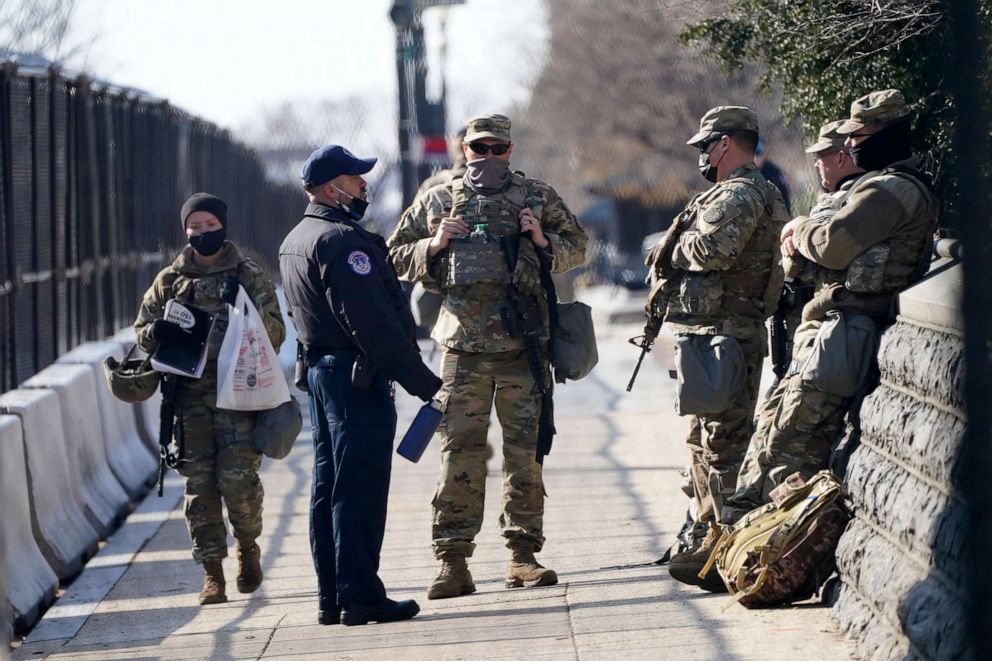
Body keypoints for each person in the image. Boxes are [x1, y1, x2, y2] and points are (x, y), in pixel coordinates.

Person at [387, 114, 587, 600]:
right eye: (481, 149)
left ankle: (522, 556)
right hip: (465, 350)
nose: (489, 158)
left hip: (524, 348)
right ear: (465, 150)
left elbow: (578, 247)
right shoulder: (438, 198)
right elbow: (393, 255)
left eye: (499, 149)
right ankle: (452, 561)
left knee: (525, 455)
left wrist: (542, 240)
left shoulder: (536, 196)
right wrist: (435, 243)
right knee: (459, 454)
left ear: (511, 150)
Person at [723, 89, 939, 525]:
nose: (853, 146)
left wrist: (802, 227)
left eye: (861, 136)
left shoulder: (892, 190)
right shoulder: (872, 187)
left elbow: (832, 245)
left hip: (846, 332)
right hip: (828, 330)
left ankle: (770, 543)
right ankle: (739, 535)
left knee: (791, 446)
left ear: (885, 135)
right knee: (772, 434)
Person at [279, 145, 442, 626]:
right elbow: (372, 326)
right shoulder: (342, 244)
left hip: (324, 378)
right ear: (334, 189)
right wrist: (424, 382)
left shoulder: (296, 238)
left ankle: (334, 596)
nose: (364, 186)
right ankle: (361, 596)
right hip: (356, 381)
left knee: (329, 489)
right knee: (360, 491)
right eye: (356, 179)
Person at [643, 106, 787, 591]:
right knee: (703, 441)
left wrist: (667, 248)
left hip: (727, 335)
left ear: (725, 144)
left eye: (706, 145)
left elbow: (713, 251)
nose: (703, 155)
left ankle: (731, 548)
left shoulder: (742, 193)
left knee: (723, 446)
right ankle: (708, 538)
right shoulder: (739, 191)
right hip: (712, 334)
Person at [135, 192, 285, 605]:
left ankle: (248, 547)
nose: (203, 234)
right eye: (195, 228)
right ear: (186, 231)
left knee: (239, 483)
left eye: (210, 226)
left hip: (239, 397)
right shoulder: (170, 281)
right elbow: (143, 329)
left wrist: (243, 327)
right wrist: (157, 334)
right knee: (199, 489)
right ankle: (212, 573)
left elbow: (275, 331)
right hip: (190, 401)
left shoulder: (246, 274)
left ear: (223, 226)